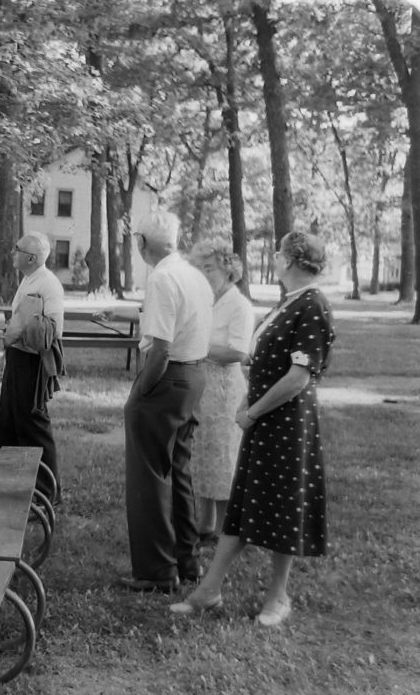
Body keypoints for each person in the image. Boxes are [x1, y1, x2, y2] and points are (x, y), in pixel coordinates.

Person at [171, 231, 335, 626]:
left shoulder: (313, 304)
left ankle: (278, 598)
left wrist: (254, 410)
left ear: (290, 260)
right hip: (264, 419)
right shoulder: (288, 301)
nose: (274, 257)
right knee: (244, 504)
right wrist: (250, 401)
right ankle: (209, 591)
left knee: (284, 507)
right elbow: (265, 363)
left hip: (288, 423)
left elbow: (298, 377)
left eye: (279, 253)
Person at [119, 210, 213, 592]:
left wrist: (141, 391)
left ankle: (157, 570)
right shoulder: (195, 275)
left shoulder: (161, 278)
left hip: (168, 376)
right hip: (195, 375)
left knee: (149, 474)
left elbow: (160, 348)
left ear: (142, 243)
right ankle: (188, 561)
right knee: (179, 470)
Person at [188, 239, 255, 545]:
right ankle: (205, 523)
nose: (204, 274)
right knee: (203, 455)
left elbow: (239, 352)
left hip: (225, 391)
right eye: (200, 268)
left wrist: (197, 347)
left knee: (223, 458)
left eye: (210, 268)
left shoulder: (239, 305)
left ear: (229, 270)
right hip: (203, 387)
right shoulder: (206, 300)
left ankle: (225, 529)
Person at [0, 232, 66, 501]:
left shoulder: (48, 284)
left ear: (31, 258)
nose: (13, 252)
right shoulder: (28, 279)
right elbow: (17, 321)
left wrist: (29, 327)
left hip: (33, 362)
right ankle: (7, 485)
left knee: (33, 426)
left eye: (17, 249)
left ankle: (47, 493)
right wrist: (6, 356)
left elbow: (55, 329)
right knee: (8, 424)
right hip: (17, 358)